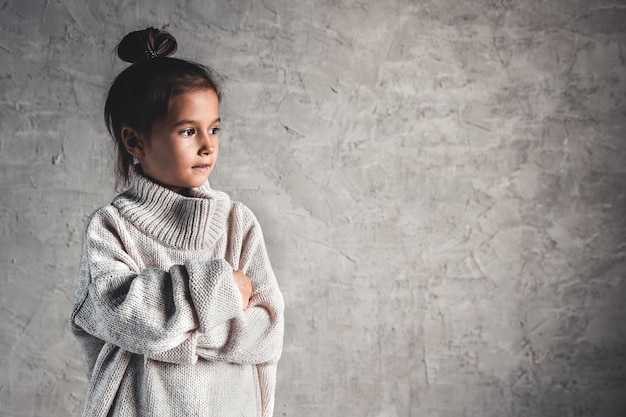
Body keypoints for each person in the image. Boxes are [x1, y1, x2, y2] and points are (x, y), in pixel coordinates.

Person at [69, 27, 284, 417]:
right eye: (188, 130)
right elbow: (122, 316)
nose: (208, 144)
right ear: (135, 142)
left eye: (214, 128)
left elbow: (266, 332)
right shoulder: (111, 228)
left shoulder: (239, 223)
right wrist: (221, 291)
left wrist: (172, 334)